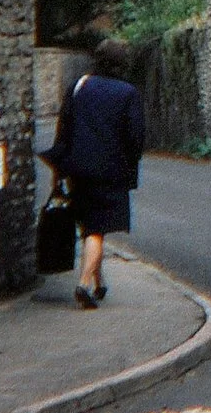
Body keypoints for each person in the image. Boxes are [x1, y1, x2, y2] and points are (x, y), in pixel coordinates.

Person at [46, 47, 145, 310]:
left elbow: (63, 130)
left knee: (91, 225)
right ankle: (84, 283)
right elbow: (135, 138)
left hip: (77, 169)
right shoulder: (127, 93)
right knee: (96, 229)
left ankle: (100, 284)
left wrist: (59, 172)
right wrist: (128, 165)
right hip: (110, 171)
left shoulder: (80, 86)